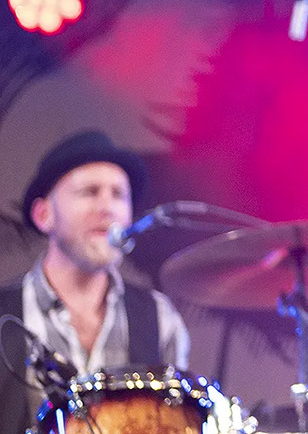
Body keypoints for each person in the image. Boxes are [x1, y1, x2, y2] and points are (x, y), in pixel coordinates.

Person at [1, 130, 190, 434]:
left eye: (119, 195)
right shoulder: (5, 312)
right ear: (43, 214)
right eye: (90, 192)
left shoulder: (160, 317)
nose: (108, 208)